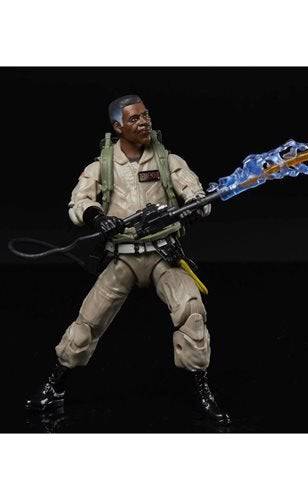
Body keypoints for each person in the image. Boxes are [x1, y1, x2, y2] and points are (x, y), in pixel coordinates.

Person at [25, 94, 230, 425]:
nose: (144, 122)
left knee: (191, 311)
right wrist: (97, 218)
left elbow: (196, 194)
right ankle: (54, 386)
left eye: (145, 115)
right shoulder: (102, 167)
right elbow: (79, 202)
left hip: (164, 253)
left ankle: (202, 388)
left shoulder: (168, 161)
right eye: (134, 118)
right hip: (123, 257)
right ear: (118, 126)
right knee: (88, 321)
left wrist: (195, 208)